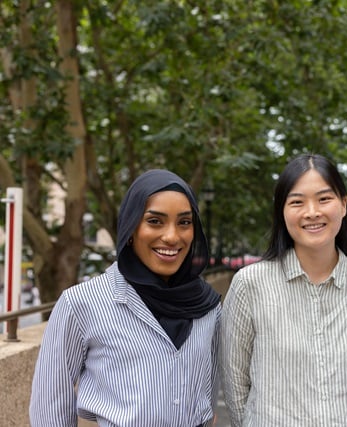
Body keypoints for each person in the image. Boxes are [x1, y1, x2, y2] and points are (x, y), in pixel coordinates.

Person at [30, 169, 222, 427]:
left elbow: (209, 392)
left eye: (184, 222)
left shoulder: (208, 306)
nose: (172, 236)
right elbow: (48, 407)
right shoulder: (82, 303)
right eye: (155, 221)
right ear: (131, 228)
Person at [220, 153, 347, 426]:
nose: (312, 212)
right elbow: (235, 386)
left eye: (324, 199)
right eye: (297, 202)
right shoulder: (250, 284)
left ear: (343, 204)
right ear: (282, 211)